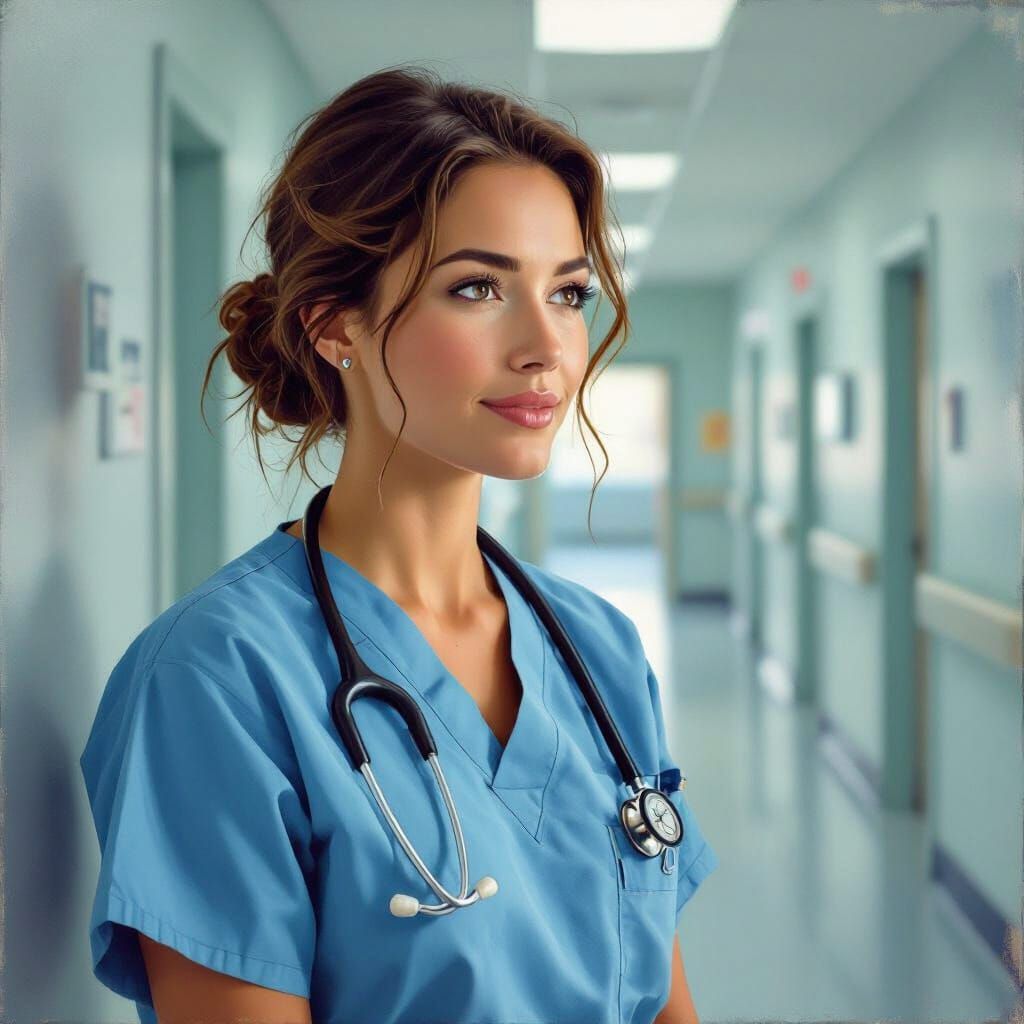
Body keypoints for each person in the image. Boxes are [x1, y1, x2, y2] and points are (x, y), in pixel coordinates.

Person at [79, 64, 718, 1024]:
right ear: (335, 325)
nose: (547, 344)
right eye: (477, 288)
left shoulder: (600, 651)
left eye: (570, 292)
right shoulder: (217, 679)